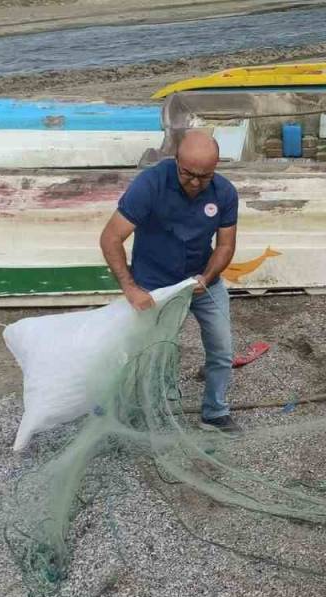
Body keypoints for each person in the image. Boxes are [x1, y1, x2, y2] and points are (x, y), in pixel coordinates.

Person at [99, 129, 239, 430]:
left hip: (202, 283)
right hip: (155, 285)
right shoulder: (150, 185)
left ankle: (214, 412)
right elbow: (111, 238)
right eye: (189, 174)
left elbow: (226, 245)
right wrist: (131, 289)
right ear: (176, 161)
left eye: (205, 176)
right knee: (154, 352)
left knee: (222, 348)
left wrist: (207, 277)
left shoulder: (225, 192)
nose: (196, 183)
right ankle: (150, 411)